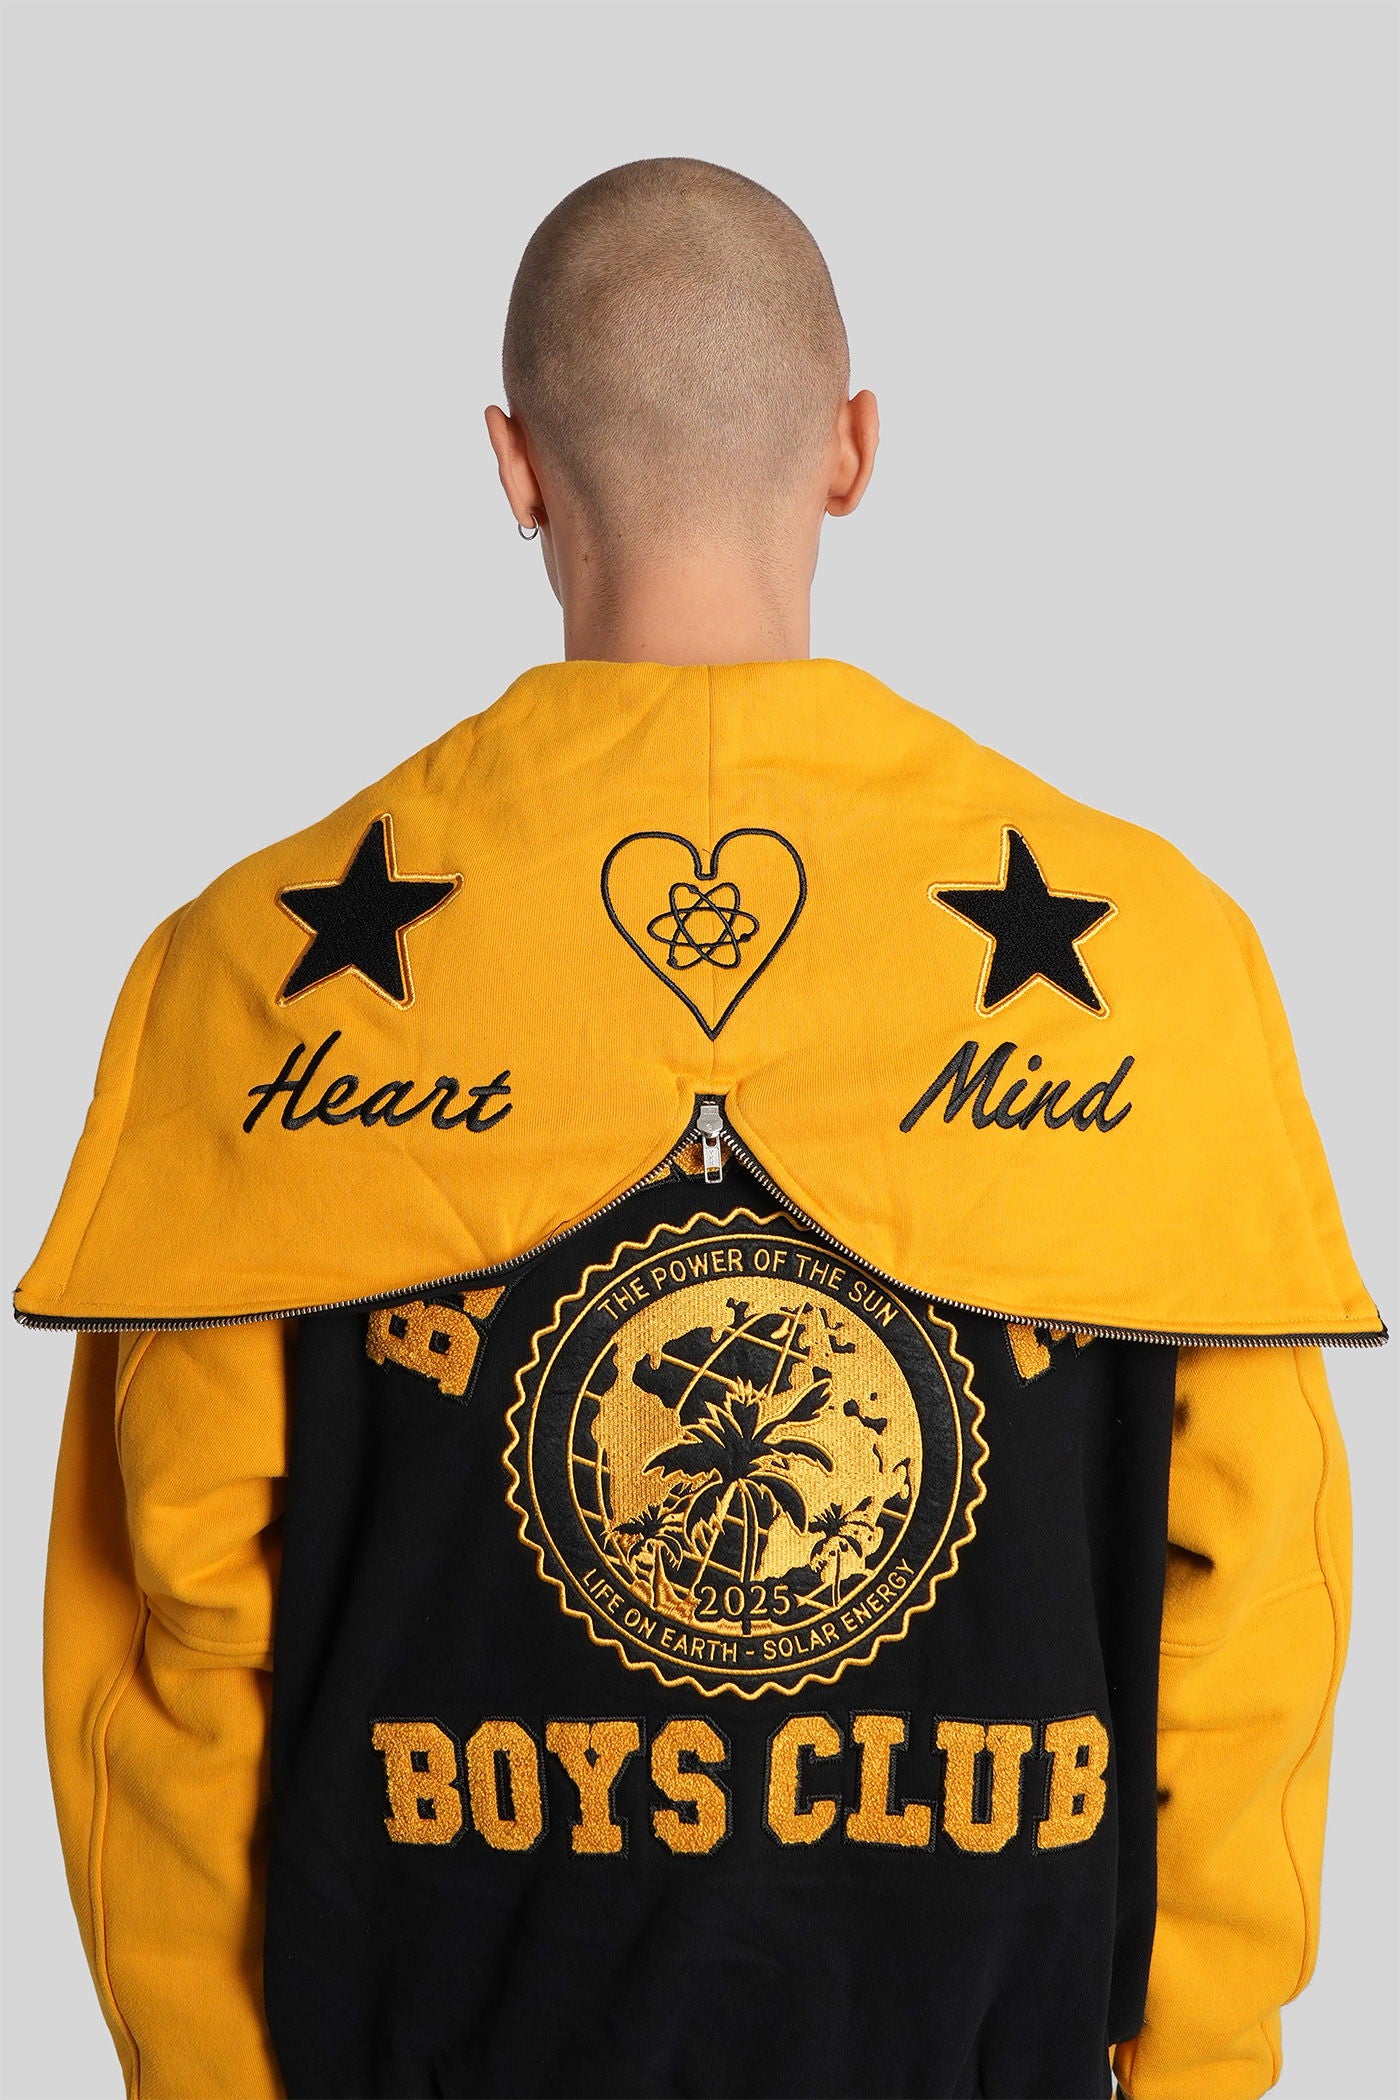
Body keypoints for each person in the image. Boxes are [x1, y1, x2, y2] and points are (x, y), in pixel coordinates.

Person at [18, 157, 1384, 2100]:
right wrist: (1199, 2072)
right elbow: (1256, 1624)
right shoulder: (1157, 959)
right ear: (852, 449)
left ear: (514, 466)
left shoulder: (251, 973)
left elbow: (165, 1646)